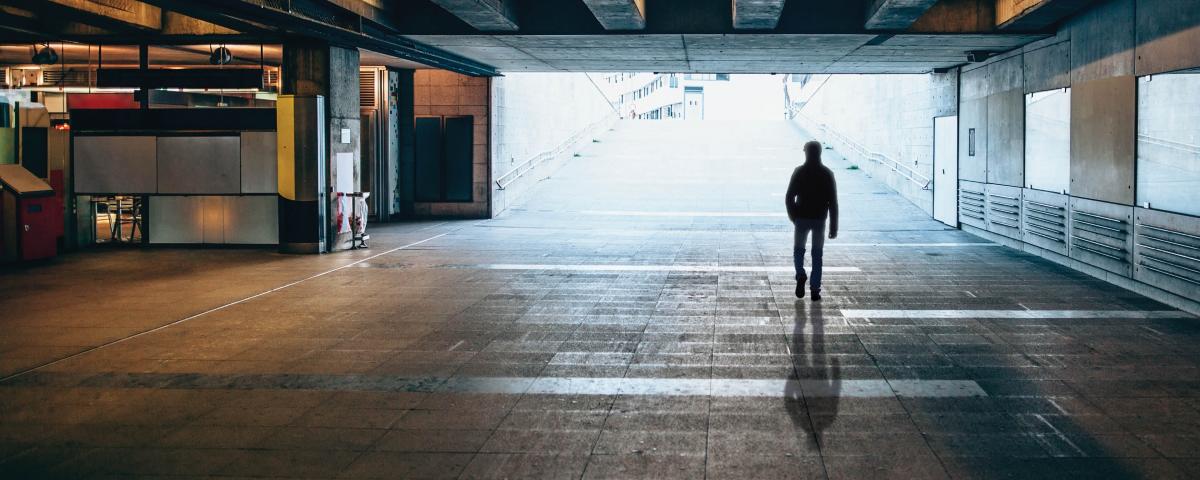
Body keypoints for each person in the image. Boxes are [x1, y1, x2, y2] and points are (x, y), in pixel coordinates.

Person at [785, 141, 838, 300]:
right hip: (819, 219)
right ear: (820, 153)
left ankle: (800, 274)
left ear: (806, 152)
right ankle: (815, 289)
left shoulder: (799, 171)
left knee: (798, 250)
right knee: (817, 254)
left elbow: (789, 197)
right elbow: (833, 202)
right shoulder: (827, 173)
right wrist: (833, 227)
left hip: (801, 217)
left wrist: (794, 217)